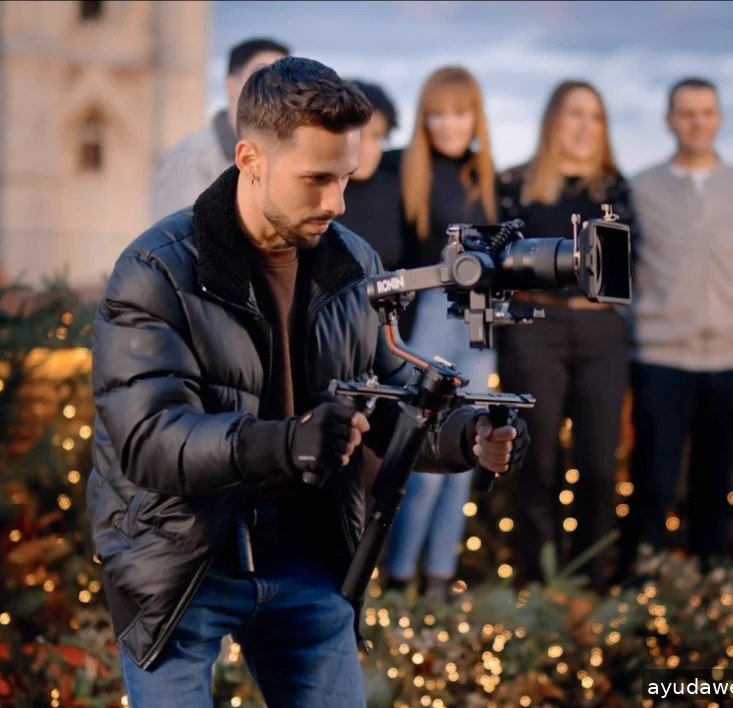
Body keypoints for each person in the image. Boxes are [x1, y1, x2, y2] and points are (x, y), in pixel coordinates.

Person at [87, 57, 530, 708]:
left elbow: (392, 403)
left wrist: (468, 438)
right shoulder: (155, 269)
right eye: (317, 179)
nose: (336, 202)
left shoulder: (353, 261)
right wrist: (287, 442)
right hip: (182, 558)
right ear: (250, 159)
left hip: (309, 558)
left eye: (345, 177)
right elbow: (150, 441)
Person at [621, 77, 733, 575]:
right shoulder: (641, 190)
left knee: (716, 489)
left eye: (706, 112)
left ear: (719, 118)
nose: (697, 122)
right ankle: (641, 589)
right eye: (686, 113)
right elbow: (619, 279)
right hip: (660, 360)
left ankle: (710, 590)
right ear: (669, 121)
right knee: (652, 484)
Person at [495, 80, 637, 594]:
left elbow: (632, 264)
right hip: (537, 327)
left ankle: (590, 586)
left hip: (601, 330)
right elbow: (499, 261)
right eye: (575, 114)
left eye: (594, 116)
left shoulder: (616, 190)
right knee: (538, 463)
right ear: (553, 120)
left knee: (599, 466)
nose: (584, 126)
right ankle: (538, 586)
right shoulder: (515, 185)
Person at [382, 67, 499, 605]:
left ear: (476, 117)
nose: (449, 125)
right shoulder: (403, 170)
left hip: (481, 320)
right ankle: (399, 577)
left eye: (460, 113)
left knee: (467, 452)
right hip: (430, 314)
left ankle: (439, 581)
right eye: (438, 114)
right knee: (426, 457)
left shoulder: (488, 178)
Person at [151, 37, 290, 221]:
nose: (273, 89)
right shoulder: (192, 156)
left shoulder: (284, 154)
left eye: (283, 80)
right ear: (231, 85)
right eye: (261, 78)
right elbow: (173, 233)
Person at [337, 80, 405, 272]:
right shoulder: (318, 192)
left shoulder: (395, 190)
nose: (366, 150)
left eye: (377, 136)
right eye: (358, 136)